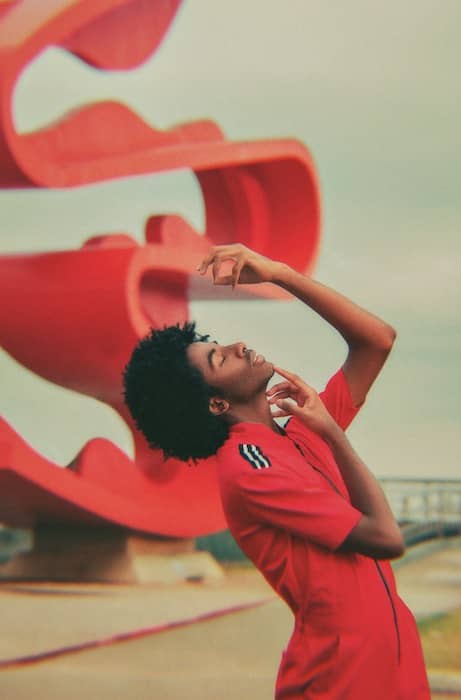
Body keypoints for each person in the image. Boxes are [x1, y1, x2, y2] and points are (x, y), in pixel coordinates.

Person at [123, 243, 430, 699]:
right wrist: (335, 433)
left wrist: (280, 275)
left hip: (396, 670)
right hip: (340, 680)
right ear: (216, 403)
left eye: (220, 345)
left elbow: (377, 340)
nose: (237, 345)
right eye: (219, 358)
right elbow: (386, 538)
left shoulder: (300, 434)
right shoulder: (251, 467)